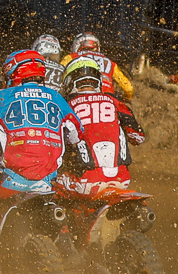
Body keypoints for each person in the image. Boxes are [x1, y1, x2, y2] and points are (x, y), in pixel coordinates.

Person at [0, 49, 84, 274]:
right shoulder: (58, 99)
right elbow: (77, 134)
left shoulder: (4, 96)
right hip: (48, 183)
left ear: (14, 72)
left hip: (11, 181)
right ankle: (68, 250)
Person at [54, 53, 146, 203]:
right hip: (121, 180)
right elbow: (139, 138)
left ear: (70, 81)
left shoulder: (65, 105)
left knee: (52, 184)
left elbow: (56, 142)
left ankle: (62, 218)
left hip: (86, 183)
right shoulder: (115, 101)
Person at [68, 33, 135, 100]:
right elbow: (129, 88)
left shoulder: (72, 57)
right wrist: (125, 99)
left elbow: (61, 72)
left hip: (82, 96)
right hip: (108, 97)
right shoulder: (110, 62)